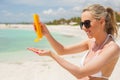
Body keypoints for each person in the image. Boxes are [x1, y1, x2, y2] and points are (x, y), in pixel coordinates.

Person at [28, 4, 120, 80]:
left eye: (87, 23)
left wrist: (51, 55)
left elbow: (80, 73)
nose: (83, 28)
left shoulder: (112, 48)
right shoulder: (90, 42)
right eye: (82, 24)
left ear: (102, 22)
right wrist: (46, 33)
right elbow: (62, 50)